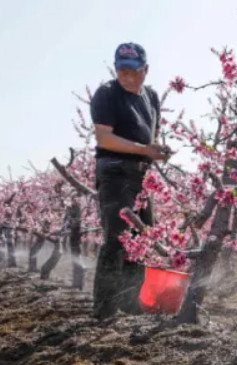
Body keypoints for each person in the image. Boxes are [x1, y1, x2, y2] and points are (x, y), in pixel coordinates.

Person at [90, 42, 172, 320]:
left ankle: (129, 301)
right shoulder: (106, 94)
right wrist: (144, 149)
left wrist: (157, 149)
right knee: (117, 239)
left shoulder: (151, 97)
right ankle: (104, 311)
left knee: (144, 239)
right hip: (114, 172)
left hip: (141, 176)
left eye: (135, 71)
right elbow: (104, 137)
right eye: (123, 71)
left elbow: (153, 136)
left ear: (145, 70)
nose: (129, 77)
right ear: (116, 70)